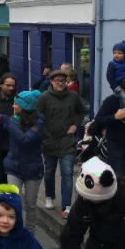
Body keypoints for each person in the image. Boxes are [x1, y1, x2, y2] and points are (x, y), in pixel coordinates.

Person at [37, 70, 86, 219]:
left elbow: (81, 112)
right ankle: (49, 196)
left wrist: (75, 125)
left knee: (67, 173)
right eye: (57, 80)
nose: (60, 83)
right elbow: (38, 117)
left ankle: (66, 206)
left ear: (66, 82)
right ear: (51, 82)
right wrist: (43, 132)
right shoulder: (44, 97)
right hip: (49, 141)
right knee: (49, 171)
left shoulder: (73, 96)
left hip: (67, 142)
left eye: (62, 81)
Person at [0, 90, 44, 233]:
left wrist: (7, 123)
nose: (13, 106)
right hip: (14, 167)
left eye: (16, 104)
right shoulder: (13, 119)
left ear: (24, 106)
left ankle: (30, 233)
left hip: (32, 169)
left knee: (30, 205)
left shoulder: (39, 122)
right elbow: (2, 137)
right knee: (15, 203)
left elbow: (25, 140)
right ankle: (15, 232)